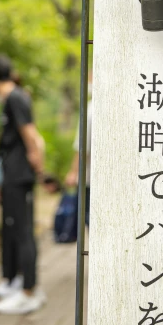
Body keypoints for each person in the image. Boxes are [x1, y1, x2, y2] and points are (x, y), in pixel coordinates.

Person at [0, 55, 46, 314]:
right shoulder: (12, 99)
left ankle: (29, 291)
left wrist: (38, 167)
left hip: (20, 176)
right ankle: (16, 281)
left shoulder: (17, 98)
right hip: (12, 175)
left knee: (23, 232)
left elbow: (31, 135)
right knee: (13, 229)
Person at [65, 72, 92, 225]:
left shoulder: (90, 109)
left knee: (89, 218)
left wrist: (73, 172)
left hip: (89, 177)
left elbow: (82, 148)